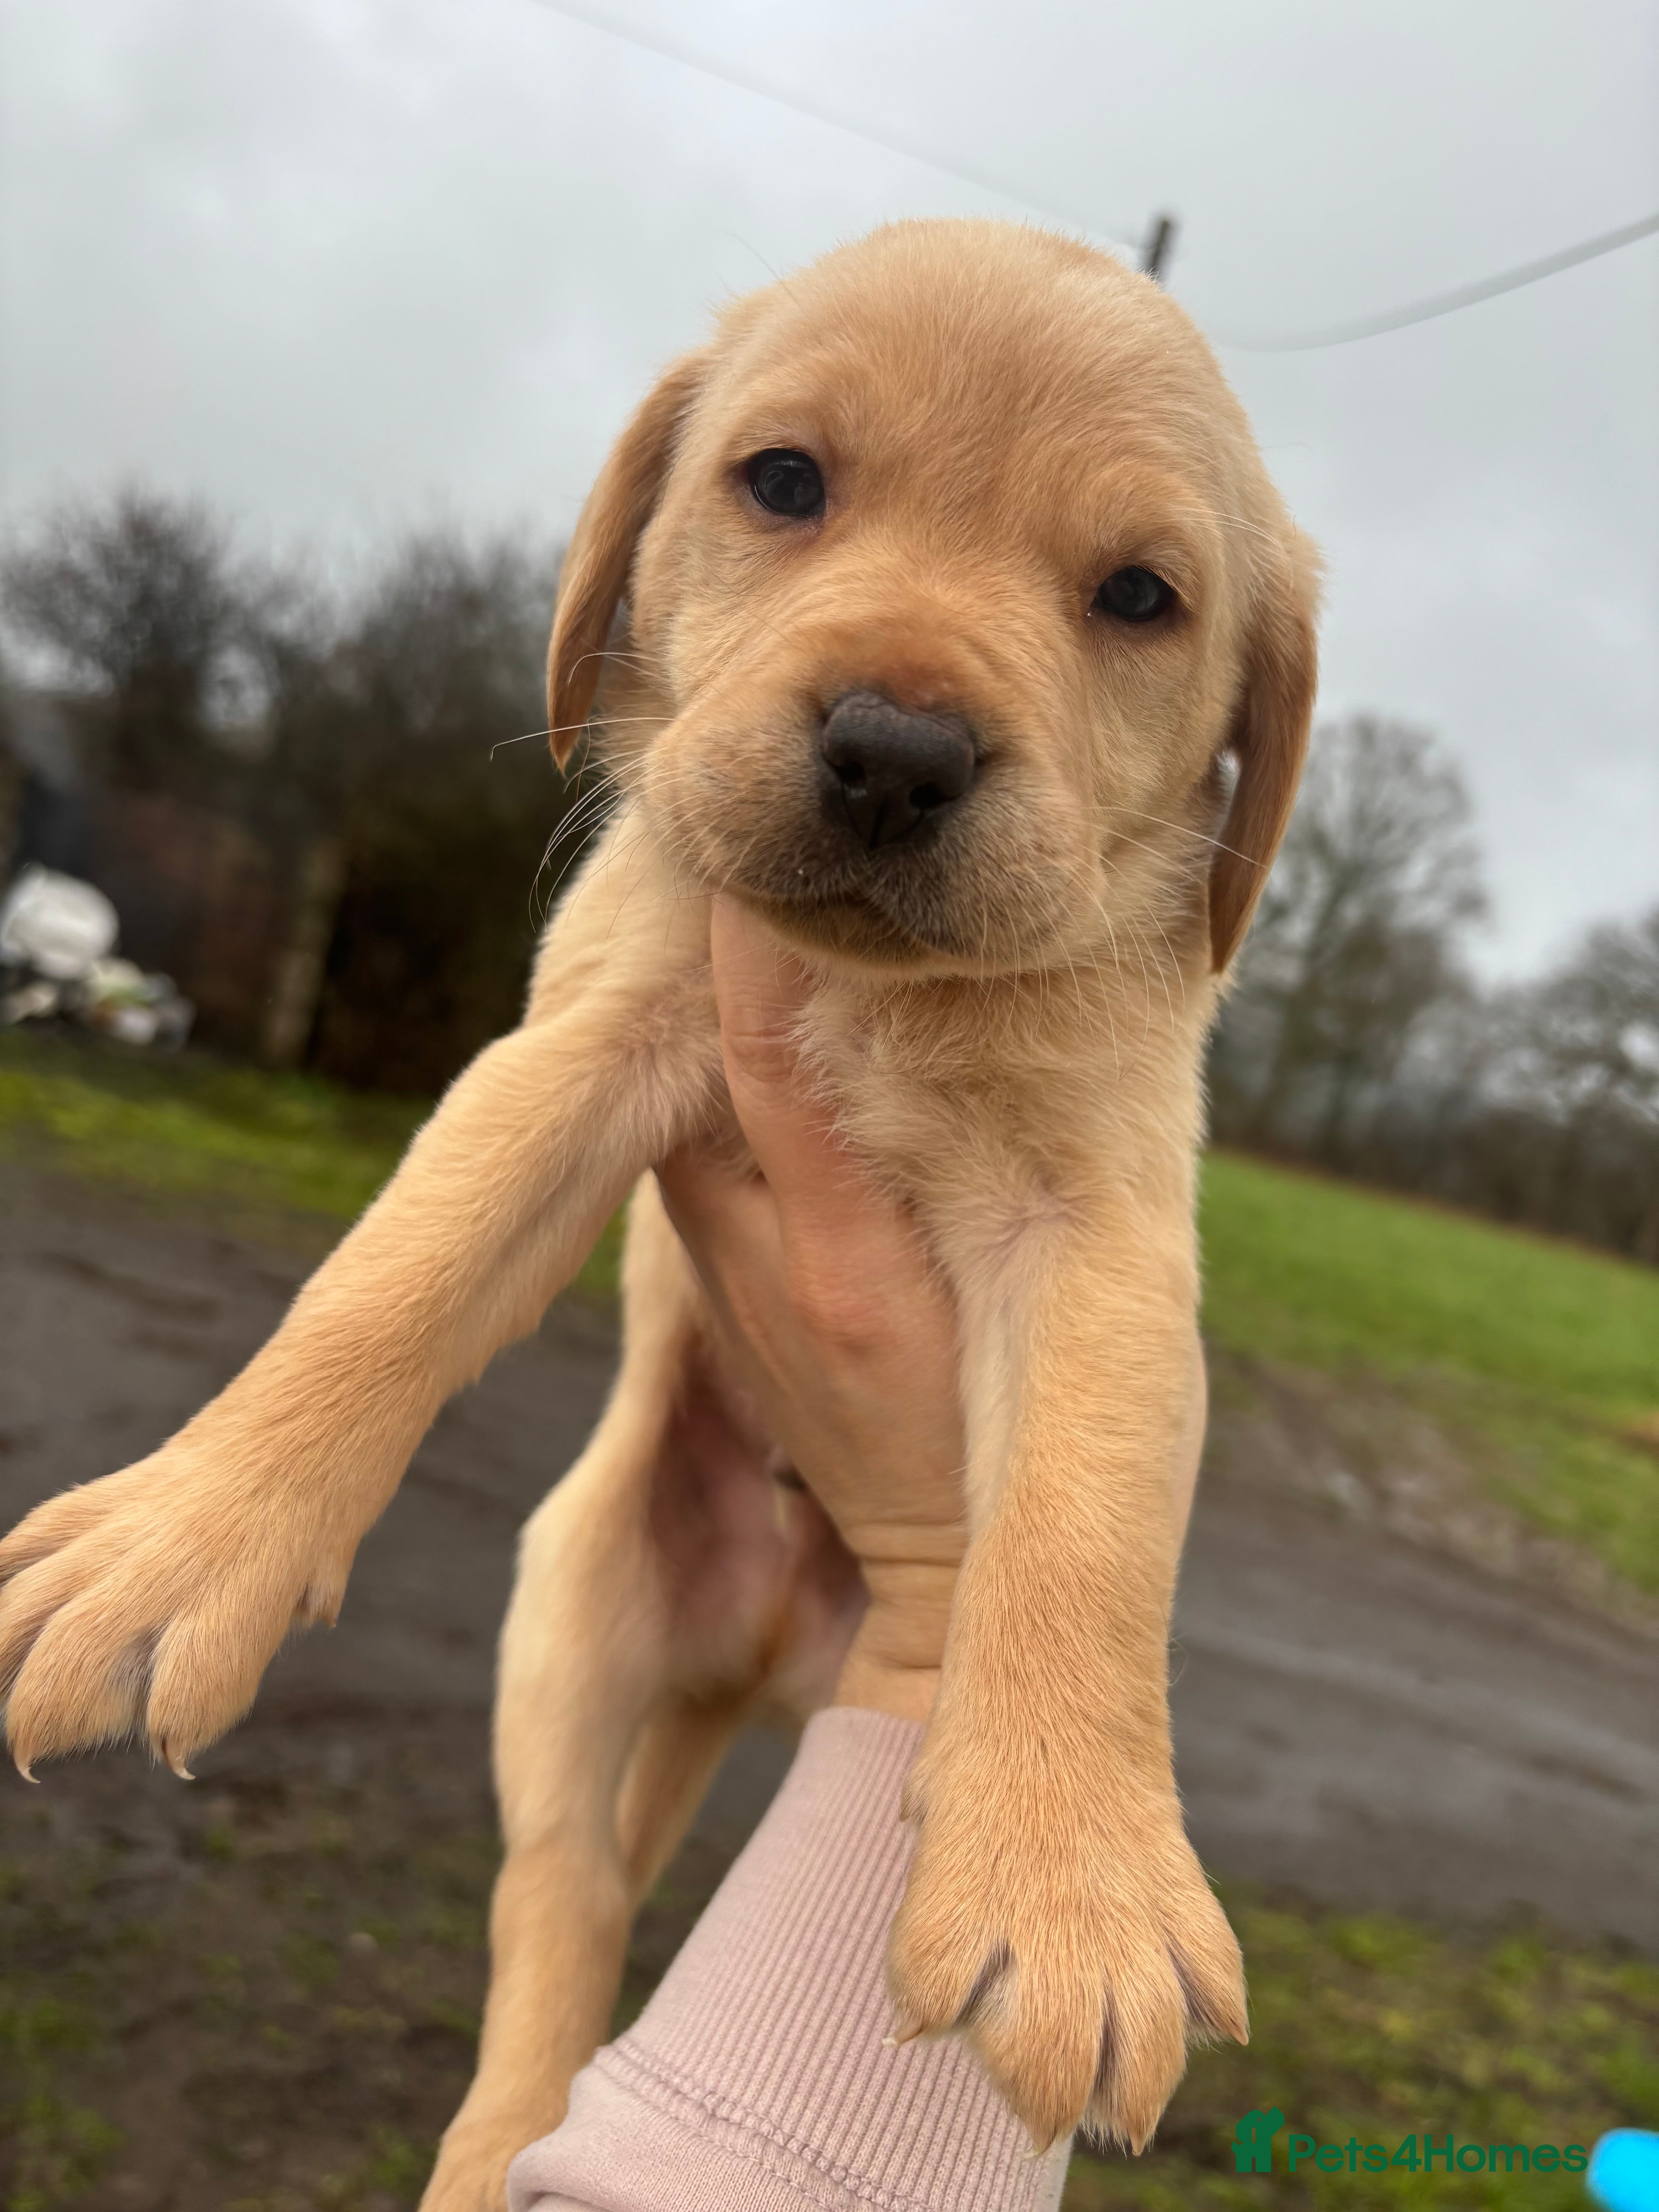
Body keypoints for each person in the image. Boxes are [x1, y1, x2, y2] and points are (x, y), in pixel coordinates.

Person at [506, 900, 1073, 2212]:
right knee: (570, 1871)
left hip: (874, 1578)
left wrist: (954, 1595)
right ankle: (529, 2042)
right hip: (683, 1497)